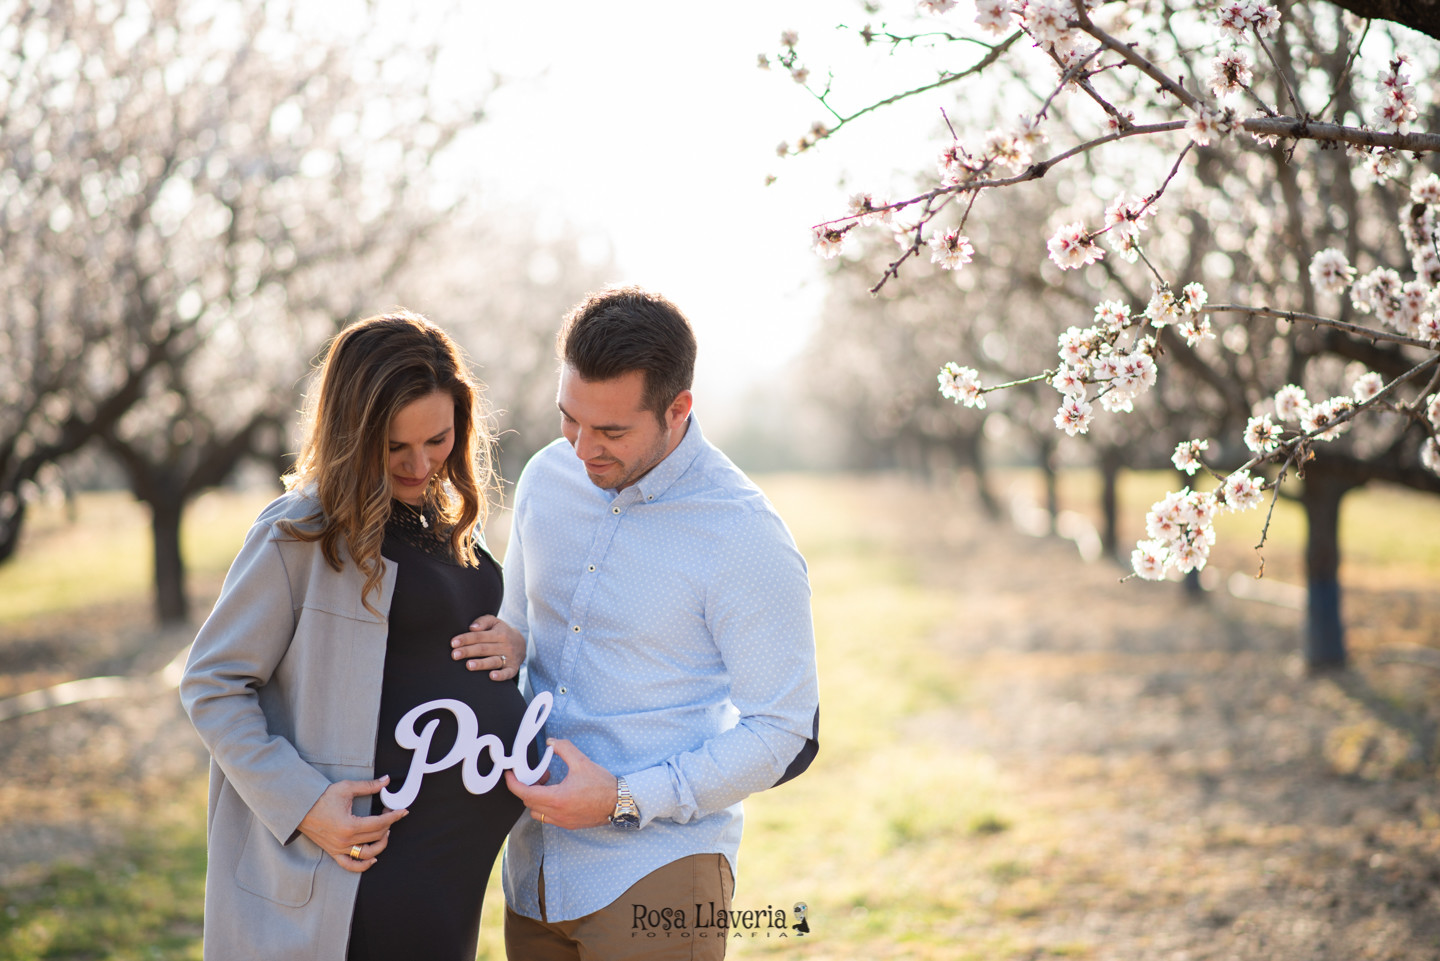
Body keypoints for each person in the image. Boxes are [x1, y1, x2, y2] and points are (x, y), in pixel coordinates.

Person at [452, 285, 821, 960]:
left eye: (612, 431)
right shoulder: (545, 478)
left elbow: (785, 729)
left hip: (658, 874)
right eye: (570, 419)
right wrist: (507, 641)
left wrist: (623, 796)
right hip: (531, 871)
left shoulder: (743, 534)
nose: (583, 448)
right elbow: (518, 627)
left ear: (677, 410)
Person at [180, 310, 532, 961]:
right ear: (353, 432)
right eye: (397, 446)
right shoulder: (299, 535)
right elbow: (212, 683)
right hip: (346, 892)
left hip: (447, 888)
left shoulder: (457, 533)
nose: (421, 463)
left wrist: (517, 643)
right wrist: (306, 803)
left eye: (439, 439)